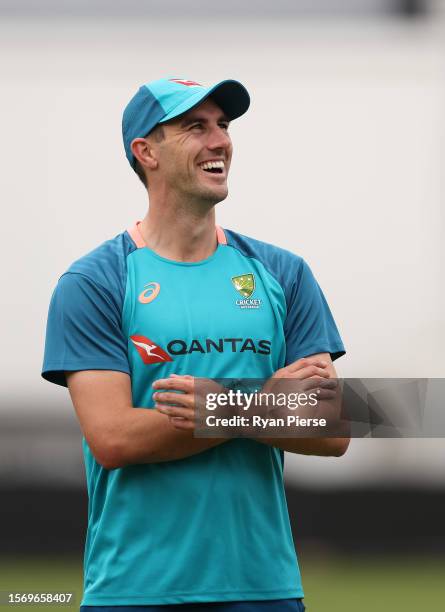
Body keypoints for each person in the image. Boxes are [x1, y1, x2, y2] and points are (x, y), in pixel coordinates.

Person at [42, 77, 348, 612]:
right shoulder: (95, 281)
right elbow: (114, 437)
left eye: (223, 126)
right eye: (194, 127)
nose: (219, 141)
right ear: (146, 152)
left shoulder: (282, 272)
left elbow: (331, 427)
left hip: (264, 588)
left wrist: (222, 406)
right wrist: (262, 403)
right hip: (134, 590)